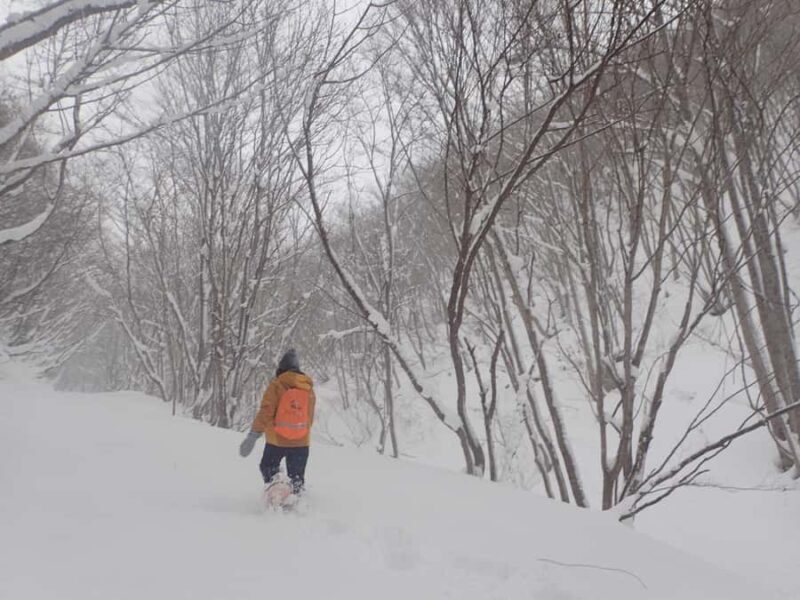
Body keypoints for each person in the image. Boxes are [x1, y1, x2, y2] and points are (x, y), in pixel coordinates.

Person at [239, 349, 316, 495]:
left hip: (277, 440)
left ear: (281, 368)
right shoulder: (308, 387)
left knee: (267, 466)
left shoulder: (276, 385)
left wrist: (253, 435)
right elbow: (309, 417)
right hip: (301, 441)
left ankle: (277, 487)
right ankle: (296, 502)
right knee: (297, 478)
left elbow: (266, 412)